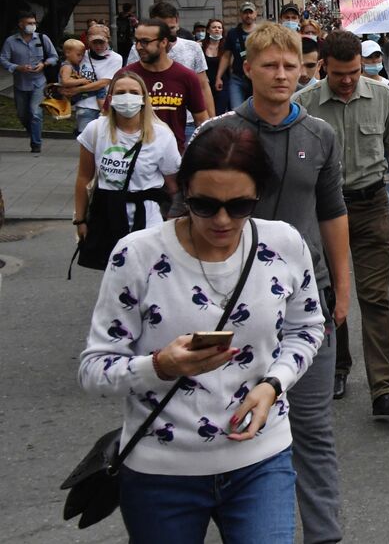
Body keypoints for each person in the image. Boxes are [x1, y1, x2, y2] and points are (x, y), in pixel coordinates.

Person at [78, 120, 325, 544]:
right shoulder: (137, 255)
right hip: (161, 471)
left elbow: (307, 328)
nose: (223, 220)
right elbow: (95, 369)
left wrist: (272, 385)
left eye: (241, 205)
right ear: (182, 191)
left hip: (261, 462)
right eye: (205, 205)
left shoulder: (283, 242)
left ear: (258, 196)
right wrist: (158, 366)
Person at [201, 21, 350, 543]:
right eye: (270, 65)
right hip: (231, 307)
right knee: (230, 423)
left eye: (291, 66)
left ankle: (323, 534)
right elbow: (187, 218)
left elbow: (332, 213)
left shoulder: (320, 134)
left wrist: (342, 292)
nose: (282, 74)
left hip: (305, 307)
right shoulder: (219, 135)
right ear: (248, 69)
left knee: (312, 428)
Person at [295, 31, 389, 415]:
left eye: (354, 71)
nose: (347, 80)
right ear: (322, 67)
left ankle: (384, 388)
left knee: (375, 296)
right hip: (322, 211)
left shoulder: (383, 97)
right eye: (338, 74)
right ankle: (336, 366)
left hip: (370, 206)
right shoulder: (304, 104)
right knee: (330, 294)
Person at [73, 71, 181, 254]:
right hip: (107, 215)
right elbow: (84, 177)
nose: (127, 97)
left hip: (147, 217)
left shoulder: (162, 135)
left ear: (143, 98)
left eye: (133, 92)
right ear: (111, 98)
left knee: (148, 273)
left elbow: (174, 186)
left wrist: (175, 221)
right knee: (114, 274)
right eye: (121, 93)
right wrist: (80, 220)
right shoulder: (96, 130)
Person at [126, 2, 216, 145]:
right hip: (146, 124)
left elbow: (203, 86)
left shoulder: (192, 48)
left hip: (187, 123)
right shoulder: (139, 49)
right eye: (162, 29)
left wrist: (211, 124)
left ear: (177, 21)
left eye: (171, 28)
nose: (167, 34)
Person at [1, 10, 57, 153]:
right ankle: (33, 132)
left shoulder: (42, 38)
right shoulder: (11, 41)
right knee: (22, 114)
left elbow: (54, 57)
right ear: (21, 24)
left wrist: (43, 65)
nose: (32, 25)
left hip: (39, 82)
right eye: (29, 23)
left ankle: (36, 144)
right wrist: (17, 67)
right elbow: (3, 59)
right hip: (20, 83)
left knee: (35, 112)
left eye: (34, 23)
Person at [63, 25, 122, 135]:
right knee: (85, 140)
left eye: (101, 42)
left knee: (105, 139)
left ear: (108, 40)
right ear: (88, 41)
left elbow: (104, 82)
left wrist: (78, 89)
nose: (98, 46)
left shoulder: (116, 58)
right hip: (84, 105)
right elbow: (67, 69)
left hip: (105, 106)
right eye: (94, 43)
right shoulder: (81, 55)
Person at [216, 2, 260, 110]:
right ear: (240, 15)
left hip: (258, 77)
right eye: (245, 13)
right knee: (236, 110)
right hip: (238, 78)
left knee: (258, 109)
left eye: (250, 12)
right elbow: (226, 56)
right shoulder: (233, 33)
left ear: (256, 14)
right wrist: (218, 77)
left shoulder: (261, 32)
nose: (248, 15)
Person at [201, 20, 228, 114]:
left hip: (221, 84)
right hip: (205, 83)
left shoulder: (226, 47)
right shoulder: (201, 47)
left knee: (219, 112)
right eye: (214, 27)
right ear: (208, 30)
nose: (217, 29)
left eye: (219, 27)